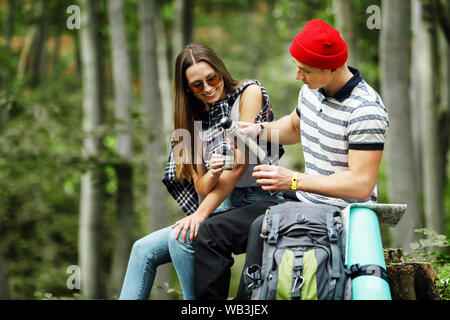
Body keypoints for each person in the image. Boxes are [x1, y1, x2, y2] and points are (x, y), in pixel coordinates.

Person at [193, 19, 389, 300]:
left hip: (340, 215)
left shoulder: (365, 110)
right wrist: (257, 130)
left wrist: (293, 180)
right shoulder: (312, 89)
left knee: (259, 229)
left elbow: (360, 184)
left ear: (331, 68)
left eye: (305, 69)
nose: (298, 75)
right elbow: (295, 127)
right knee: (211, 233)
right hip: (303, 202)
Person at [119, 44, 283, 300]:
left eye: (212, 78)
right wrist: (214, 173)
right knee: (142, 250)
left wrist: (199, 214)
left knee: (181, 238)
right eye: (197, 85)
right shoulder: (190, 121)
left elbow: (240, 164)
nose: (207, 88)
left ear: (220, 71)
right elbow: (201, 188)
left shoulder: (249, 93)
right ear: (187, 88)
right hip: (221, 203)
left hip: (260, 199)